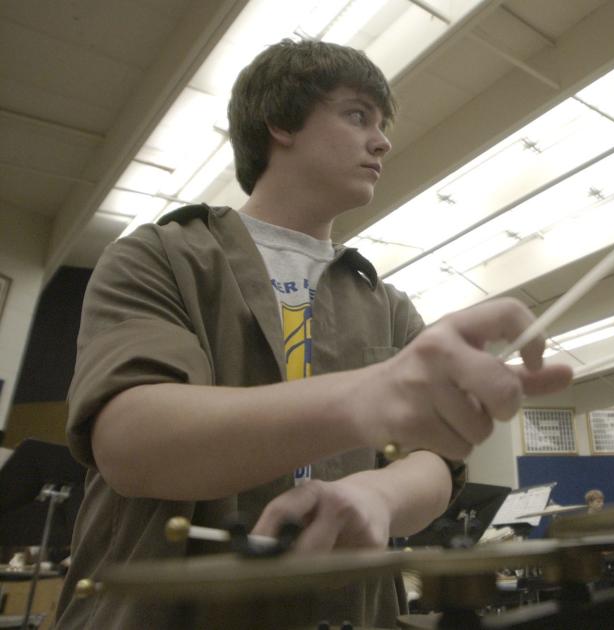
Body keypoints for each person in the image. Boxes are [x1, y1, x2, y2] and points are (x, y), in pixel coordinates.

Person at [54, 39, 571, 630]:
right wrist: (372, 398)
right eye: (357, 116)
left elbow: (435, 461)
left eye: (382, 125)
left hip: (350, 611)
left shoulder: (387, 303)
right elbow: (130, 444)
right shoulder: (163, 256)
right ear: (280, 122)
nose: (382, 141)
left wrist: (379, 495)